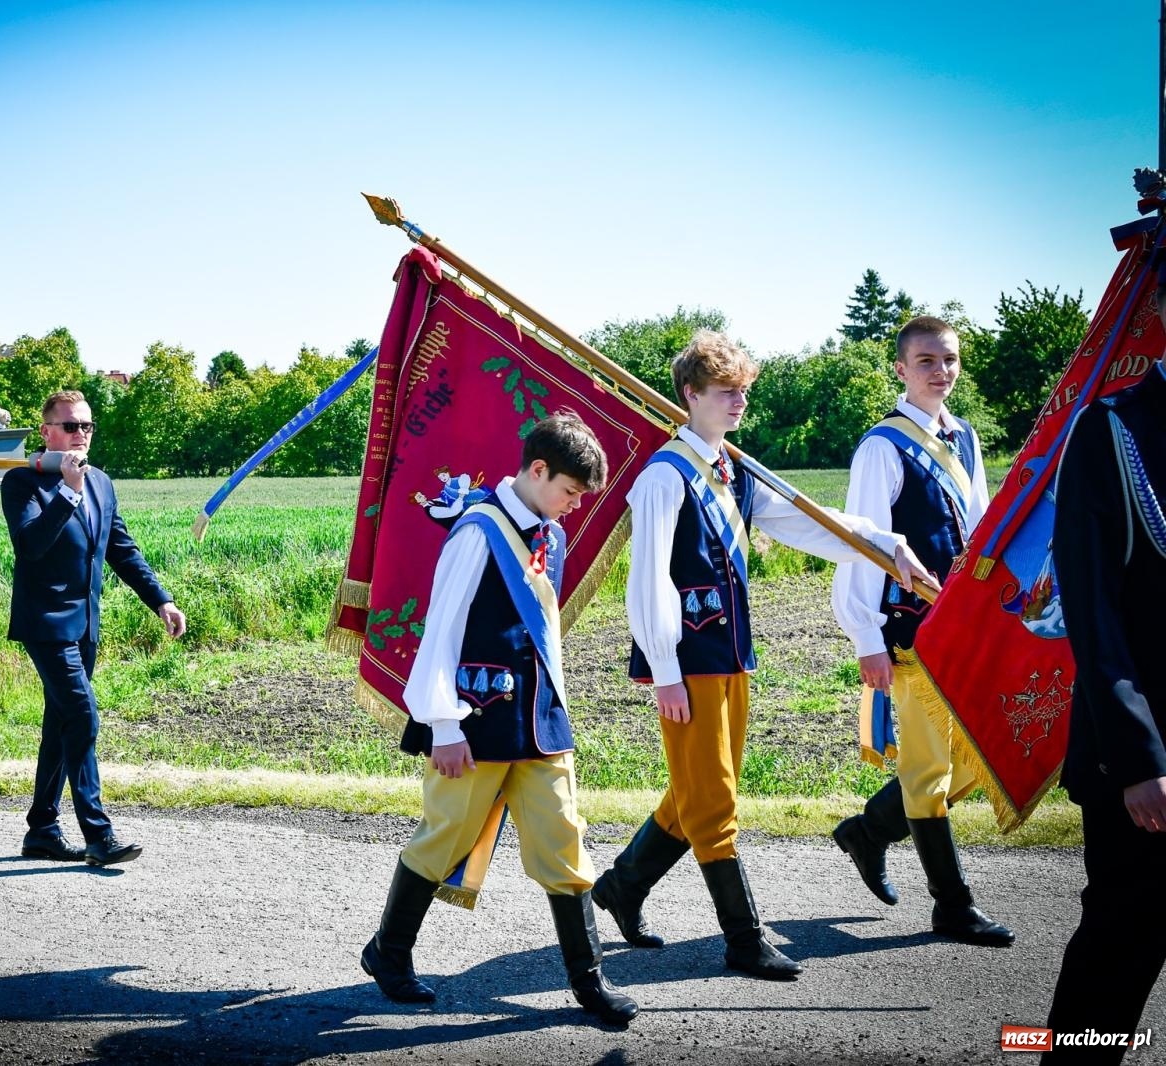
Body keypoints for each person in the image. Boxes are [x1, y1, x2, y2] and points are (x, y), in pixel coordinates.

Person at [594, 330, 935, 980]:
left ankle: (622, 886)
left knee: (696, 788)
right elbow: (648, 584)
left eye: (744, 391)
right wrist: (664, 670)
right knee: (714, 798)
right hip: (688, 664)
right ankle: (744, 939)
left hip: (731, 658)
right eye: (726, 391)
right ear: (691, 394)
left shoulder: (735, 472)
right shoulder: (665, 475)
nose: (739, 402)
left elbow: (812, 524)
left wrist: (883, 541)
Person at [360, 412, 639, 1028]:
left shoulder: (551, 535)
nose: (571, 507)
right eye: (568, 491)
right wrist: (445, 726)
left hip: (539, 724)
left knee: (565, 841)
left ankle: (589, 983)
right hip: (474, 722)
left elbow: (543, 639)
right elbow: (442, 631)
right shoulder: (477, 532)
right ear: (537, 470)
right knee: (445, 838)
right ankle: (389, 953)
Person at [828, 315, 1014, 947]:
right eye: (927, 361)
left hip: (960, 626)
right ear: (902, 370)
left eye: (951, 359)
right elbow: (860, 546)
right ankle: (952, 906)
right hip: (909, 634)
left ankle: (869, 831)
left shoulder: (964, 439)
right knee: (931, 767)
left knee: (970, 758)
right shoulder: (881, 446)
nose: (942, 371)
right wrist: (867, 641)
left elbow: (982, 527)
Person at [1042, 287, 1166, 1064]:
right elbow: (1093, 611)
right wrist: (1139, 757)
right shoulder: (1111, 428)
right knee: (1113, 973)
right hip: (1147, 763)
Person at [1, 390, 187, 866]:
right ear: (46, 433)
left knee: (60, 723)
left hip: (86, 626)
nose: (81, 434)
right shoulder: (22, 483)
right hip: (45, 624)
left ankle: (41, 829)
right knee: (82, 716)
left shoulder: (101, 483)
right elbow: (31, 547)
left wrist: (160, 600)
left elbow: (121, 550)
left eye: (86, 427)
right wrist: (65, 492)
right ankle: (98, 834)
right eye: (70, 427)